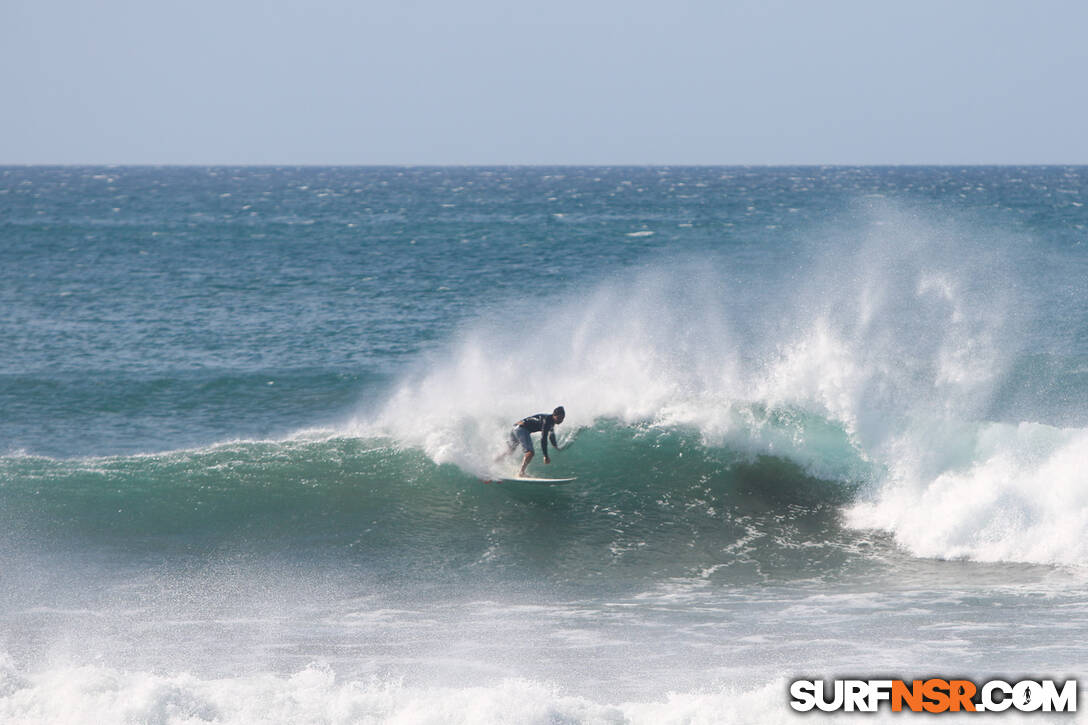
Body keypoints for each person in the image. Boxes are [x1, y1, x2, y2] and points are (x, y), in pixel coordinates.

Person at [499, 406, 566, 476]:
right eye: (559, 418)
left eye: (562, 418)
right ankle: (521, 473)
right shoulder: (547, 421)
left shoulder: (550, 421)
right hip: (521, 429)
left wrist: (555, 445)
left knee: (510, 451)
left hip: (515, 428)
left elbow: (551, 434)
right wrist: (545, 456)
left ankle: (495, 462)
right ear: (554, 415)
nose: (560, 420)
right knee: (530, 452)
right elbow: (543, 439)